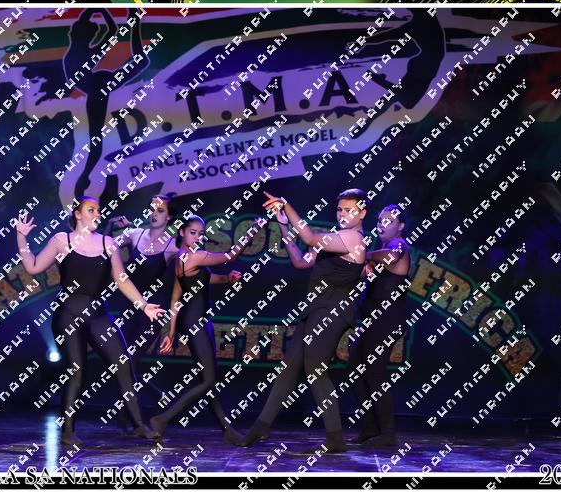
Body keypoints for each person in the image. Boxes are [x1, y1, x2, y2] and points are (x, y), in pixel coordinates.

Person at [15, 195, 165, 445]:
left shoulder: (108, 243)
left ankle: (139, 425)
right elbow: (32, 267)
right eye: (91, 210)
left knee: (123, 364)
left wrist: (143, 304)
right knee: (77, 370)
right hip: (68, 314)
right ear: (77, 214)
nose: (97, 214)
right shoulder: (62, 240)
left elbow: (121, 279)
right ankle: (68, 431)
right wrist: (21, 237)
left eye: (98, 210)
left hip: (98, 314)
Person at [236, 189, 368, 452]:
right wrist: (284, 226)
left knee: (315, 369)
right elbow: (299, 261)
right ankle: (261, 426)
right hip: (315, 310)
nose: (342, 214)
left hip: (332, 311)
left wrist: (287, 204)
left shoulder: (354, 238)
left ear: (362, 213)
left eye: (349, 210)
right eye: (340, 209)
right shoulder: (336, 239)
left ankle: (335, 438)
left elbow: (308, 237)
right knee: (289, 367)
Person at [148, 215, 259, 444]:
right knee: (208, 380)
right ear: (181, 232)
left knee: (208, 378)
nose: (198, 237)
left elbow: (178, 296)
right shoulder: (195, 256)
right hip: (195, 322)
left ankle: (227, 430)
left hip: (195, 321)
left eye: (201, 233)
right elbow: (231, 255)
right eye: (193, 233)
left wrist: (171, 332)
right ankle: (162, 418)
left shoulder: (181, 258)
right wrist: (253, 230)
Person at [103, 193, 180, 432]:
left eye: (160, 210)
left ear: (169, 217)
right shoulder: (134, 234)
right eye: (152, 208)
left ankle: (127, 418)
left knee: (131, 360)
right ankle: (154, 395)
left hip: (153, 311)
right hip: (130, 307)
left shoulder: (172, 245)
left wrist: (225, 278)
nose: (154, 213)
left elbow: (194, 267)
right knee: (122, 361)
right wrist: (109, 226)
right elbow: (103, 247)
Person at [64, 8, 150, 198]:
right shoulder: (80, 52)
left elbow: (111, 31)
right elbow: (110, 31)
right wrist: (101, 11)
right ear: (79, 34)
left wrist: (99, 10)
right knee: (96, 143)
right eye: (91, 34)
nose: (93, 37)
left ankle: (84, 178)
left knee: (141, 61)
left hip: (100, 83)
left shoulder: (85, 49)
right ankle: (84, 179)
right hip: (97, 87)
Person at [349, 204, 411, 447]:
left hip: (387, 320)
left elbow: (391, 256)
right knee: (355, 369)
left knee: (375, 372)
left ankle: (388, 433)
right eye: (379, 220)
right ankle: (370, 426)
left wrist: (362, 253)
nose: (381, 225)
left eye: (388, 221)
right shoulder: (379, 251)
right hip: (373, 321)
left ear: (401, 226)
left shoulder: (398, 245)